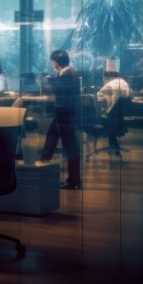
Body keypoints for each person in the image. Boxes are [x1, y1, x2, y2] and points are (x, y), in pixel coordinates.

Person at [40, 49, 83, 190]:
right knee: (50, 142)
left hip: (64, 115)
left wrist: (47, 82)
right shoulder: (69, 73)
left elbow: (59, 93)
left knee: (69, 147)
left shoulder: (66, 75)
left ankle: (74, 181)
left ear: (54, 62)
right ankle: (42, 173)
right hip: (63, 114)